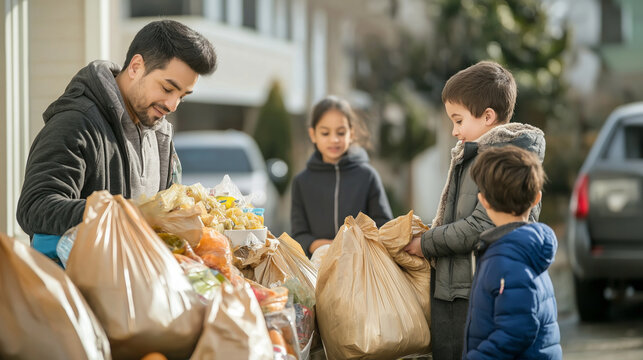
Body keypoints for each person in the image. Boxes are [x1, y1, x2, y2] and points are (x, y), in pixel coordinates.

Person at [17, 20, 217, 260]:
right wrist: (129, 212)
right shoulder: (76, 122)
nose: (172, 105)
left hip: (141, 289)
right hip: (77, 292)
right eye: (167, 88)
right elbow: (35, 208)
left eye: (182, 96)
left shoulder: (161, 135)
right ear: (135, 67)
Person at [404, 61, 546, 360]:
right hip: (457, 288)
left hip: (473, 289)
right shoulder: (474, 154)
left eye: (458, 120)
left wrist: (426, 243)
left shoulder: (498, 162)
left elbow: (480, 224)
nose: (454, 131)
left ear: (487, 116)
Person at [464, 145, 562, 359]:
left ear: (484, 201)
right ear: (536, 198)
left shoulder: (507, 258)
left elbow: (517, 330)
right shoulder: (526, 247)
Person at [291, 95, 393, 257]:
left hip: (362, 267)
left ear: (351, 133)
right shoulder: (301, 182)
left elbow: (384, 228)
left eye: (341, 132)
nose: (334, 139)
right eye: (325, 133)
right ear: (313, 134)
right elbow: (298, 236)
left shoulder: (367, 176)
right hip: (317, 271)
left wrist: (353, 245)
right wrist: (327, 246)